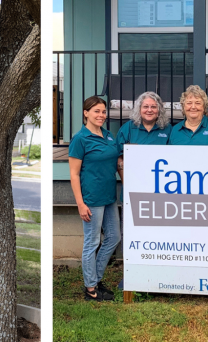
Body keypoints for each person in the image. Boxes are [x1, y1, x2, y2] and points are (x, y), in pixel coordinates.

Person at [69, 96, 119, 302]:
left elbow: (115, 162)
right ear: (86, 113)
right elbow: (74, 174)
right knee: (92, 242)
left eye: (103, 111)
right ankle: (91, 289)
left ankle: (95, 279)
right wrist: (81, 203)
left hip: (109, 197)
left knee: (114, 237)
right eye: (96, 111)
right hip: (91, 199)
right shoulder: (80, 139)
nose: (101, 115)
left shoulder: (108, 135)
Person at [116, 91, 170, 169]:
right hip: (134, 176)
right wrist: (125, 180)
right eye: (145, 106)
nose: (149, 110)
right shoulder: (128, 127)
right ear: (139, 109)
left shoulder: (167, 128)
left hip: (160, 175)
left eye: (154, 107)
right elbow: (119, 157)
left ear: (159, 110)